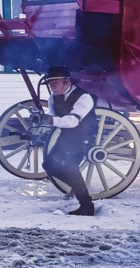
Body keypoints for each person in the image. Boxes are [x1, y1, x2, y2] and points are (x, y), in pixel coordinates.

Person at [39, 65, 97, 216]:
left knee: (70, 167)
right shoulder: (53, 98)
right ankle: (79, 186)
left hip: (83, 136)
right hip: (66, 136)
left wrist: (51, 121)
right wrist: (44, 122)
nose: (52, 88)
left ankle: (87, 206)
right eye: (50, 85)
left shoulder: (84, 97)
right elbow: (54, 117)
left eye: (55, 84)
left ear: (66, 82)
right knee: (49, 165)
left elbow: (73, 121)